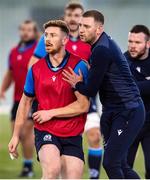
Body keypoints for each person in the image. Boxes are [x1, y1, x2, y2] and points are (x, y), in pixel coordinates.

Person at [62, 10, 145, 179]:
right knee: (120, 164)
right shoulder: (99, 46)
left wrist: (76, 83)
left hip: (128, 111)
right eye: (80, 26)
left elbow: (90, 90)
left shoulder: (101, 49)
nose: (81, 30)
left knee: (110, 163)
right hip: (111, 112)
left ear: (99, 29)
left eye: (86, 26)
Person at [28, 3, 102, 179]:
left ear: (82, 18)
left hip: (82, 98)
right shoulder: (51, 39)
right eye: (69, 14)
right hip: (56, 100)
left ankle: (94, 175)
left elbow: (99, 69)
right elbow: (33, 65)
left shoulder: (90, 41)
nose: (73, 18)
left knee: (94, 135)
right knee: (58, 161)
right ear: (65, 16)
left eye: (77, 15)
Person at [8, 20, 90, 179]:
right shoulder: (36, 69)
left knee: (73, 176)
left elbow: (83, 105)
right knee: (52, 170)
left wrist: (50, 113)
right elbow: (25, 103)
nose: (47, 39)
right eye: (46, 35)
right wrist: (16, 135)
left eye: (53, 35)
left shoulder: (79, 66)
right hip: (46, 130)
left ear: (65, 40)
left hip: (72, 133)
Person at [0, 20, 39, 177]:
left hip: (32, 99)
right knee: (17, 135)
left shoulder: (39, 51)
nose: (25, 32)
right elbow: (10, 73)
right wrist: (2, 89)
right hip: (17, 100)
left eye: (29, 30)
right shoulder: (13, 51)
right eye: (23, 29)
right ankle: (28, 163)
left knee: (25, 132)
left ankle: (28, 167)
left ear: (34, 32)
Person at [124, 25, 150, 179]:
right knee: (123, 168)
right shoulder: (123, 61)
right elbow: (124, 90)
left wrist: (135, 85)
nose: (132, 46)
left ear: (148, 44)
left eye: (137, 42)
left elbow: (132, 88)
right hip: (129, 123)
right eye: (130, 41)